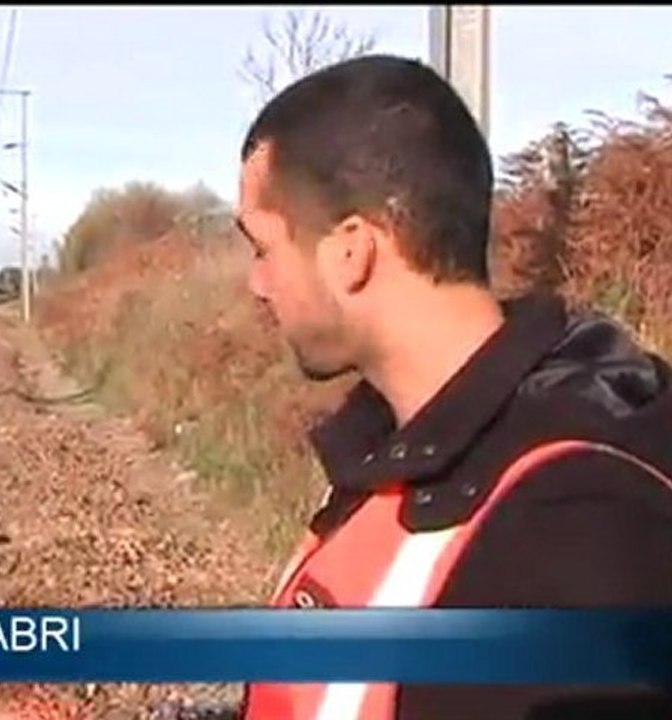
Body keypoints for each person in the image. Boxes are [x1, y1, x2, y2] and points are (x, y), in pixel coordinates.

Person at [235, 55, 672, 720]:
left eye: (262, 247)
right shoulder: (398, 459)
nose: (255, 284)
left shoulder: (577, 530)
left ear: (352, 249)